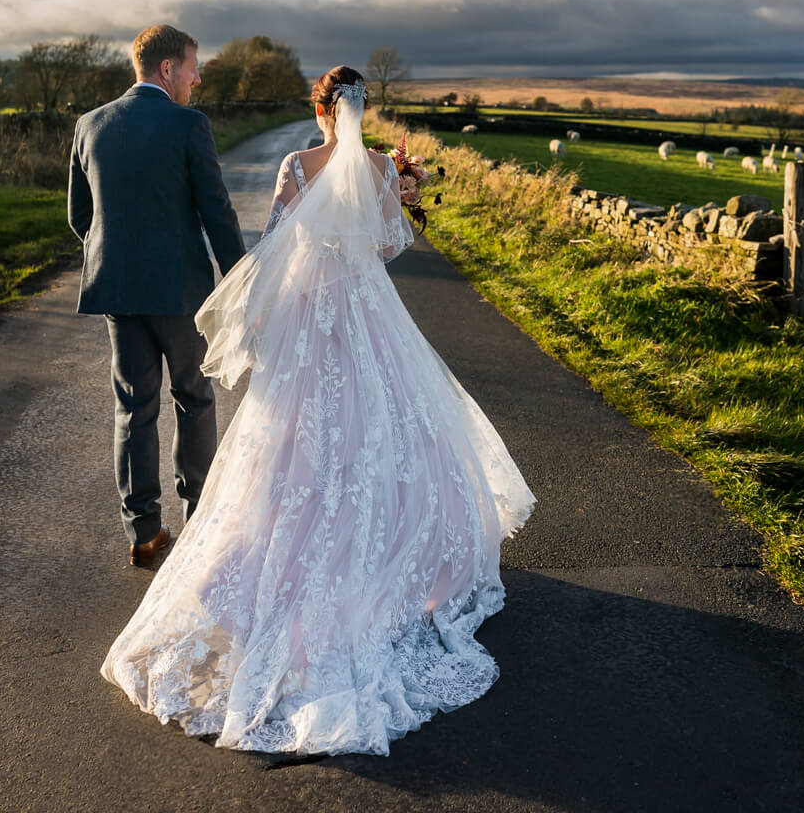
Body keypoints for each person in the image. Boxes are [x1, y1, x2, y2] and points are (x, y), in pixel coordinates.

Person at [101, 65, 535, 756]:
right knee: (389, 424)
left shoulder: (299, 164)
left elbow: (275, 240)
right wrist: (400, 192)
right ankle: (400, 551)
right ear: (363, 108)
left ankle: (262, 560)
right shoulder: (379, 168)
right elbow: (391, 245)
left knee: (293, 437)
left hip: (309, 311)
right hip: (367, 309)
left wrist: (264, 311)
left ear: (320, 109)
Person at [68, 24, 248, 567]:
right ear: (167, 68)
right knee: (194, 399)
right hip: (180, 293)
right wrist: (239, 280)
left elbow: (81, 218)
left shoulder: (89, 124)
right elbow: (217, 212)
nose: (197, 77)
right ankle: (196, 521)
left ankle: (143, 532)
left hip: (119, 293)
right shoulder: (189, 125)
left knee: (133, 408)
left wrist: (120, 256)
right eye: (193, 66)